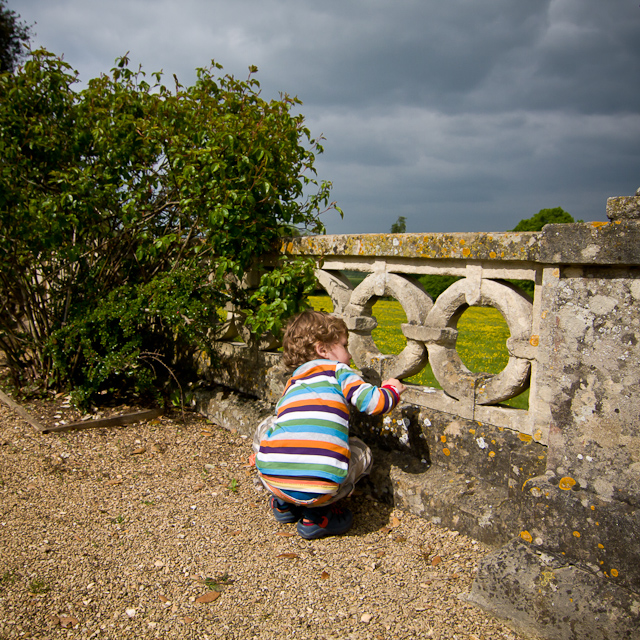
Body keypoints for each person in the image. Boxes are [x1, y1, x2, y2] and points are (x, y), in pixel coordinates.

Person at [253, 309, 405, 540]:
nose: (350, 355)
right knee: (362, 451)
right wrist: (392, 388)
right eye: (344, 346)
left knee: (269, 425)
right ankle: (319, 515)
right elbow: (374, 403)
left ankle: (284, 504)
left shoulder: (293, 382)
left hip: (272, 480)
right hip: (321, 490)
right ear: (323, 350)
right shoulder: (339, 371)